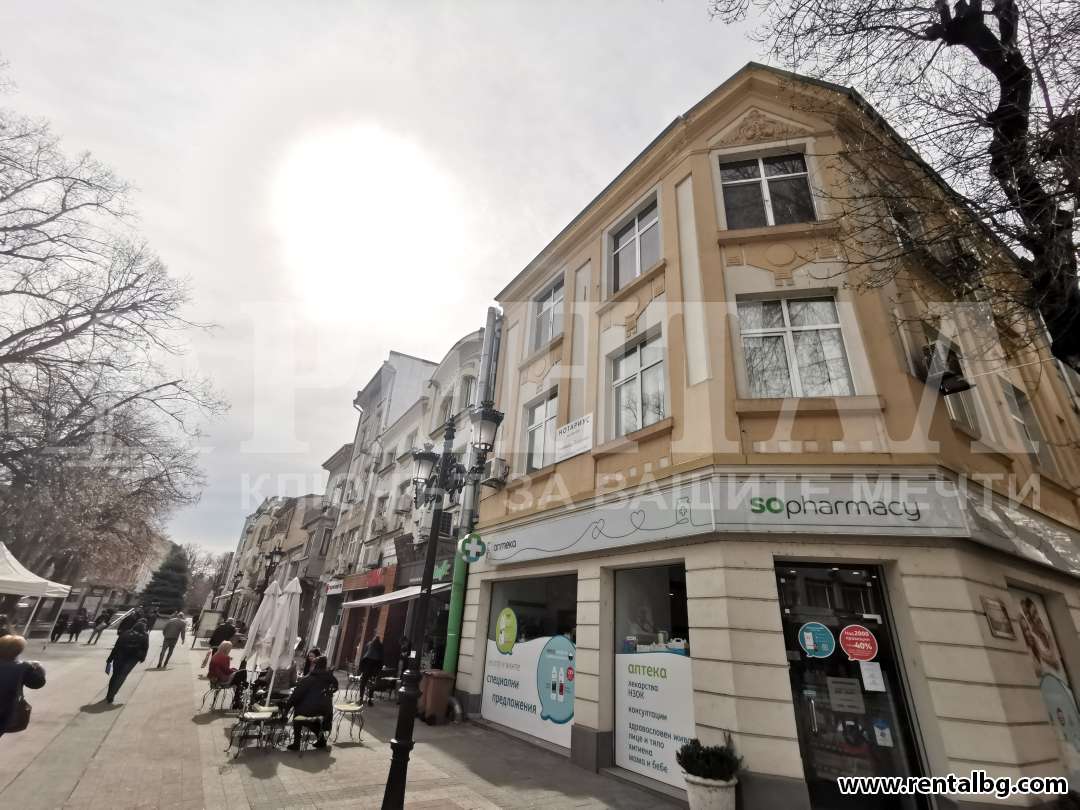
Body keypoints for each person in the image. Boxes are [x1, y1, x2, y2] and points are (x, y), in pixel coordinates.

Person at [285, 655, 337, 751]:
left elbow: (294, 697)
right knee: (312, 718)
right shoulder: (330, 678)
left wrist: (285, 713)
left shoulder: (308, 679)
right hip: (326, 711)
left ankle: (296, 743)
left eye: (312, 664)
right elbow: (335, 688)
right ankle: (321, 740)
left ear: (314, 666)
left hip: (311, 710)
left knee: (298, 716)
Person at [0, 635, 46, 738]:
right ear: (19, 651)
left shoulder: (23, 667)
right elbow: (37, 683)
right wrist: (39, 668)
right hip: (4, 710)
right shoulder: (23, 668)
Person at [105, 620, 149, 703]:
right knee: (122, 676)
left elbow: (116, 646)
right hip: (132, 659)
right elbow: (145, 648)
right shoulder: (144, 636)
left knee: (115, 676)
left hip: (119, 656)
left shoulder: (125, 633)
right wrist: (142, 658)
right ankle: (112, 694)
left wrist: (110, 659)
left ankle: (109, 694)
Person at [358, 636, 383, 706]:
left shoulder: (369, 644)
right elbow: (381, 657)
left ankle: (361, 698)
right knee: (372, 684)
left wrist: (361, 669)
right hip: (374, 668)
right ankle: (370, 700)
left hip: (366, 667)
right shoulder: (380, 646)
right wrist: (379, 669)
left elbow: (364, 654)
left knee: (363, 683)